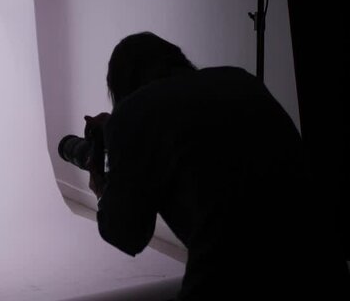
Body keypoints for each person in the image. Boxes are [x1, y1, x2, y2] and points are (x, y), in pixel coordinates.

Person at [83, 32, 349, 300]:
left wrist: (103, 188)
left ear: (121, 87)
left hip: (231, 283)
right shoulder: (240, 79)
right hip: (325, 272)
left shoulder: (133, 114)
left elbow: (127, 235)